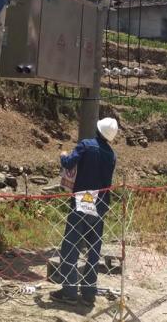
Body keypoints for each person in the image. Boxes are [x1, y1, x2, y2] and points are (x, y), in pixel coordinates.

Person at [50, 118, 118, 306]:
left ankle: (69, 292)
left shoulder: (86, 145)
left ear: (97, 129)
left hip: (84, 199)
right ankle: (89, 294)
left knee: (71, 246)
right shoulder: (112, 155)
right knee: (93, 250)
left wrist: (63, 154)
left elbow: (68, 162)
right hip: (101, 203)